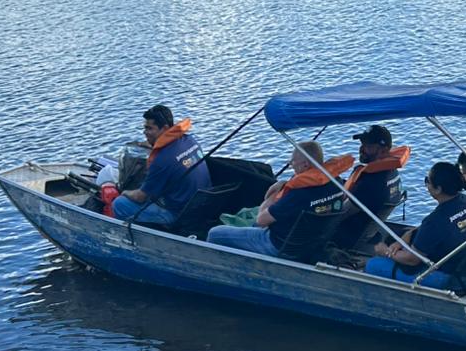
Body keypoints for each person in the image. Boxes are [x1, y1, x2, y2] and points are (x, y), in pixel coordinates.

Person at [206, 141, 348, 259]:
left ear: (305, 165)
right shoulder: (336, 183)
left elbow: (261, 221)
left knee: (215, 233)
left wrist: (273, 194)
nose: (290, 164)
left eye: (292, 161)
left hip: (280, 247)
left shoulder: (299, 193)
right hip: (312, 244)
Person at [364, 161, 466, 289]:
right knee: (403, 233)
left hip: (448, 278)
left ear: (438, 189)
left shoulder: (435, 221)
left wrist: (385, 251)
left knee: (373, 265)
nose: (426, 185)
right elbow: (443, 226)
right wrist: (409, 234)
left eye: (427, 181)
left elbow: (412, 259)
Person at [112, 104, 212, 226]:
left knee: (119, 203)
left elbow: (140, 197)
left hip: (177, 215)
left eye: (149, 128)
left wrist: (125, 192)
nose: (145, 132)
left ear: (164, 128)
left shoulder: (161, 160)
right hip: (202, 205)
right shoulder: (189, 140)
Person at [331, 124, 410, 249]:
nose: (361, 149)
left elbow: (339, 214)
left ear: (383, 150)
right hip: (370, 231)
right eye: (362, 144)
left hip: (348, 238)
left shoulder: (372, 183)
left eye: (368, 147)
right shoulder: (391, 172)